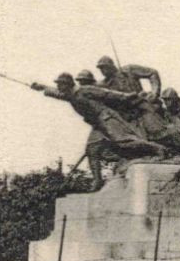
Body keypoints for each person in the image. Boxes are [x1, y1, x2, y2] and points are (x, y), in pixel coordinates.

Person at [31, 73, 166, 189]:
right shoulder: (70, 94)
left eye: (61, 84)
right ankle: (97, 180)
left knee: (124, 141)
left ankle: (158, 149)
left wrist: (127, 96)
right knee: (92, 149)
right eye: (58, 85)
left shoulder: (85, 90)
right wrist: (42, 87)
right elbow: (56, 93)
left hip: (107, 118)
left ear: (68, 84)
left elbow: (107, 94)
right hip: (98, 124)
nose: (59, 87)